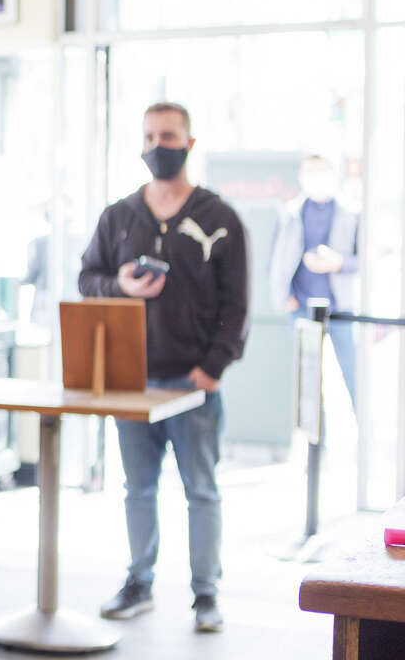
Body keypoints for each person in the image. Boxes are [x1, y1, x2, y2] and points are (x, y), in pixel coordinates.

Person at [79, 102, 249, 633]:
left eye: (168, 136)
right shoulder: (119, 216)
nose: (158, 146)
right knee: (138, 489)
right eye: (149, 136)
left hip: (193, 385)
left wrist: (212, 369)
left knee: (201, 490)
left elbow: (237, 304)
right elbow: (87, 279)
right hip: (131, 383)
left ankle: (206, 594)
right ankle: (139, 582)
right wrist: (120, 285)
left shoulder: (219, 218)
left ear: (189, 143)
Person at [269, 155, 359, 405]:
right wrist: (284, 295)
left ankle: (363, 425)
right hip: (303, 309)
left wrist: (338, 263)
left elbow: (365, 261)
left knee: (354, 377)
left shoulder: (352, 212)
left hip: (342, 310)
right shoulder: (291, 212)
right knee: (308, 385)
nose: (316, 177)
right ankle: (317, 432)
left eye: (321, 170)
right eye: (310, 171)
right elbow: (276, 259)